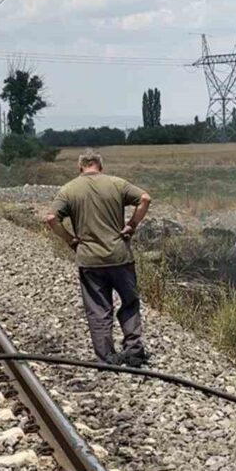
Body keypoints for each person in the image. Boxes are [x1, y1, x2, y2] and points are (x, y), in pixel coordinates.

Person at [44, 148, 152, 366]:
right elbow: (145, 198)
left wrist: (69, 239)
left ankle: (105, 357)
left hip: (89, 259)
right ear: (100, 166)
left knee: (98, 309)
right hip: (120, 256)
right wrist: (131, 225)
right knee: (129, 302)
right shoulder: (117, 184)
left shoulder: (69, 190)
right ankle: (133, 350)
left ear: (80, 166)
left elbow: (50, 218)